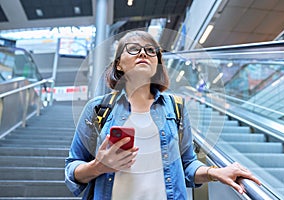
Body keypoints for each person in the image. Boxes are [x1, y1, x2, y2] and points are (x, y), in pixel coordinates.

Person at [65, 30, 261, 200]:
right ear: (118, 65)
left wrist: (215, 172)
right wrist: (99, 167)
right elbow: (72, 168)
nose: (143, 53)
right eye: (133, 48)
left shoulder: (175, 108)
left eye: (151, 50)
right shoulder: (98, 109)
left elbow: (187, 165)